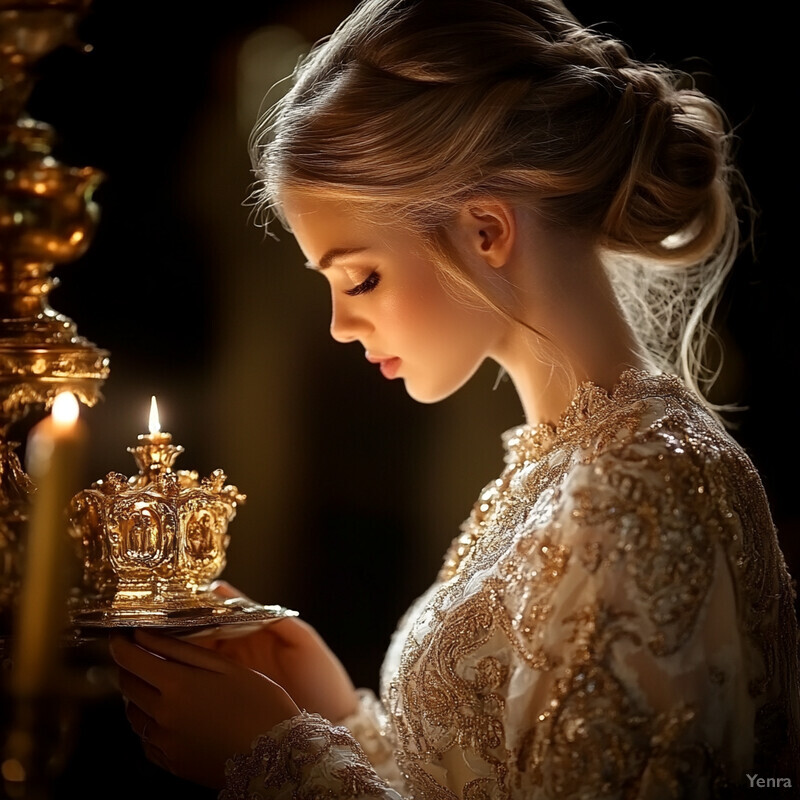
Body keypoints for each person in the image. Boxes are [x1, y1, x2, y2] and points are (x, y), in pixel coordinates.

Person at [109, 0, 800, 797]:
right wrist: (334, 713)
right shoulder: (563, 469)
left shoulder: (640, 488)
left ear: (486, 231)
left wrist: (275, 760)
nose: (338, 325)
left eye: (360, 277)